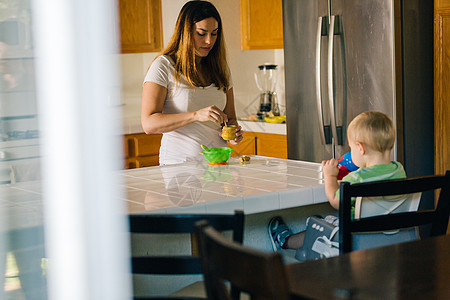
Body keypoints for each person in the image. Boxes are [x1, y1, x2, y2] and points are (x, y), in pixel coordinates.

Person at [268, 111, 407, 251]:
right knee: (327, 221)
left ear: (360, 148)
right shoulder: (399, 169)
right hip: (390, 233)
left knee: (322, 225)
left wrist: (330, 176)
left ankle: (286, 242)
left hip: (357, 234)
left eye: (351, 148)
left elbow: (336, 201)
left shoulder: (356, 179)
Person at [141, 0, 243, 165]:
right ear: (185, 32)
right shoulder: (163, 66)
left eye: (214, 33)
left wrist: (234, 135)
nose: (209, 41)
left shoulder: (221, 69)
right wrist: (195, 115)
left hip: (219, 166)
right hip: (179, 167)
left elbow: (230, 119)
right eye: (201, 33)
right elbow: (149, 124)